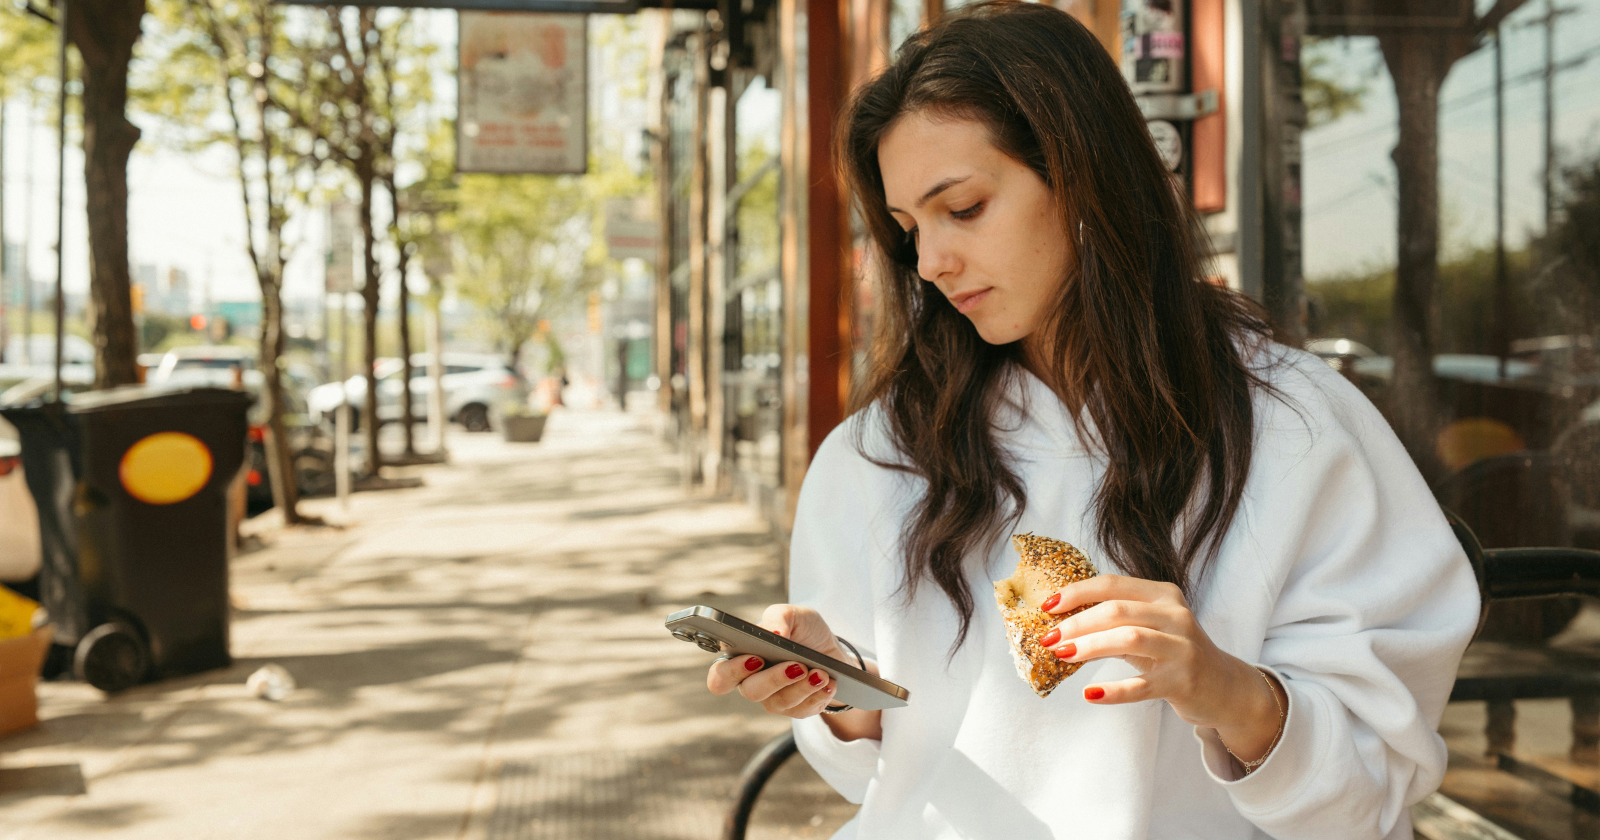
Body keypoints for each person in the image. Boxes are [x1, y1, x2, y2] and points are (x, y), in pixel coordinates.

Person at [704, 3, 1478, 838]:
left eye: (962, 208)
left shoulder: (1293, 427)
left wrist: (1224, 689)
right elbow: (876, 775)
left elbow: (1371, 786)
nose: (930, 263)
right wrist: (840, 687)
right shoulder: (881, 454)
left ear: (1084, 177)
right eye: (907, 231)